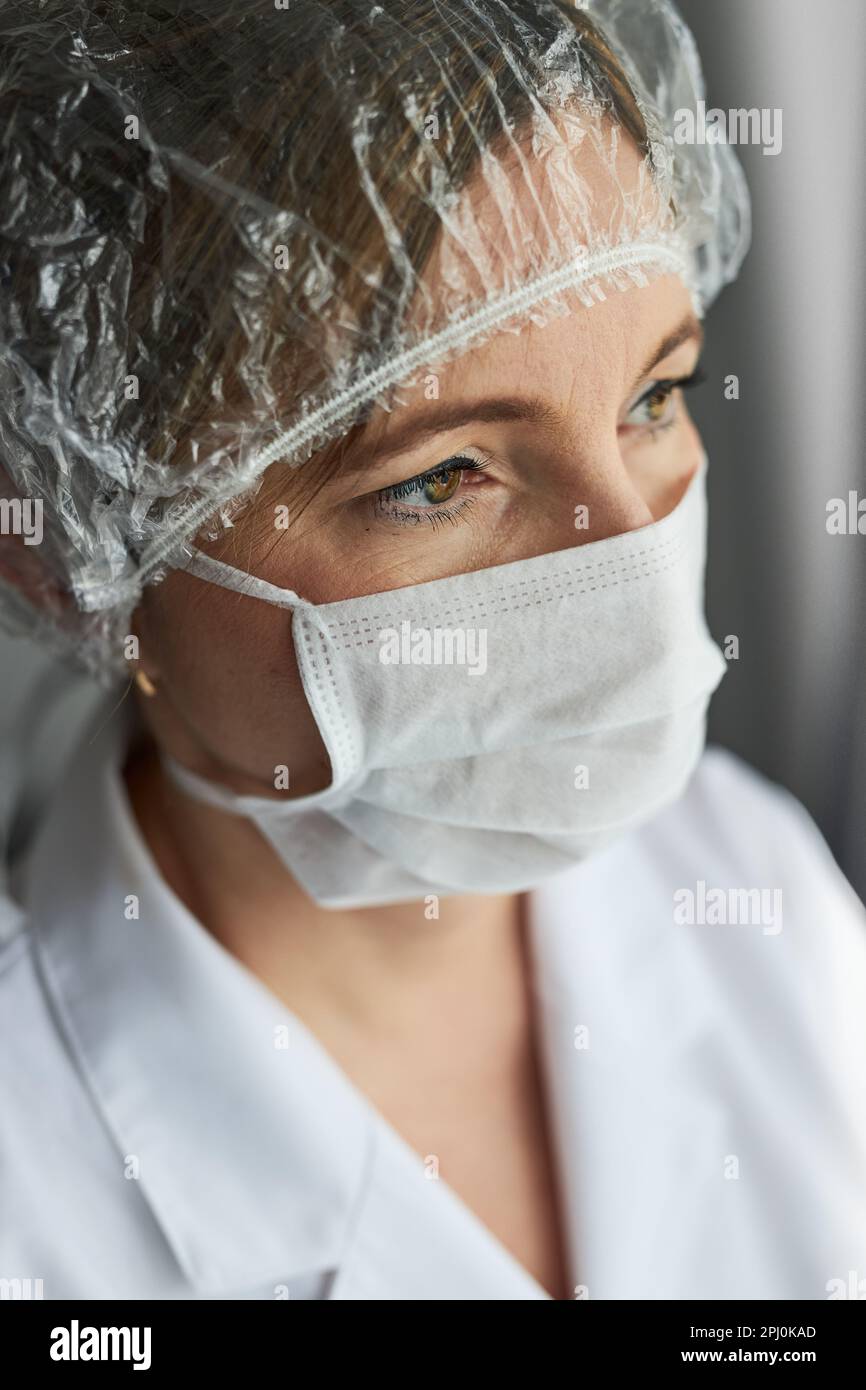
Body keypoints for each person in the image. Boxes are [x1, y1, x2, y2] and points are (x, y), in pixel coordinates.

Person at [0, 0, 864, 1302]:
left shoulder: (750, 884)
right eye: (441, 476)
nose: (626, 557)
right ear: (75, 552)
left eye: (650, 398)